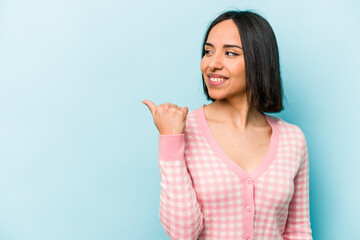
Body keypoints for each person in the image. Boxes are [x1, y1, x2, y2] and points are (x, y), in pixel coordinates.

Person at [142, 10, 313, 240]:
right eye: (208, 51)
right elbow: (183, 233)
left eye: (230, 53)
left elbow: (297, 231)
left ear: (259, 60)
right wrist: (170, 139)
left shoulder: (293, 139)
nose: (212, 64)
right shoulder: (183, 129)